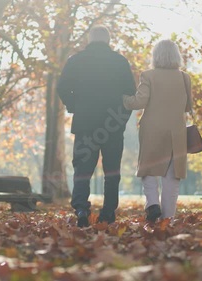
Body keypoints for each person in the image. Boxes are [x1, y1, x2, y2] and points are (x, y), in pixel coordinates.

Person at [57, 26, 136, 227]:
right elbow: (130, 94)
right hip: (112, 125)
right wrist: (121, 118)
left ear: (89, 40)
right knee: (112, 171)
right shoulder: (120, 62)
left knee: (82, 169)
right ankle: (108, 212)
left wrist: (74, 106)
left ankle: (81, 208)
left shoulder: (76, 60)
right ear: (108, 41)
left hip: (85, 123)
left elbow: (62, 88)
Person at [123, 39, 193, 222]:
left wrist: (123, 99)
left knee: (148, 170)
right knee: (172, 177)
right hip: (176, 132)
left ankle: (153, 204)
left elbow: (139, 102)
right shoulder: (185, 78)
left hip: (152, 130)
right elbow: (188, 106)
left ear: (156, 56)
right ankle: (168, 219)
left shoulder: (148, 75)